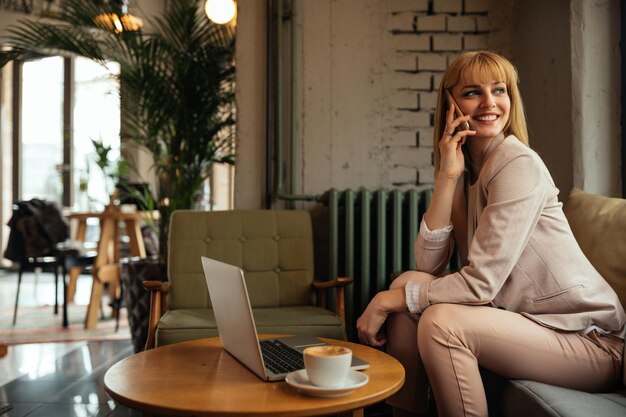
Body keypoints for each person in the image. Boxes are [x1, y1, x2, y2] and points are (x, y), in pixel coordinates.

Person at [356, 50, 626, 417]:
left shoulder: (518, 165)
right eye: (472, 93)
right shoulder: (468, 171)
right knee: (408, 282)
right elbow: (428, 265)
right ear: (450, 104)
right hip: (528, 323)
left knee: (440, 323)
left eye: (499, 90)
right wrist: (447, 177)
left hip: (590, 342)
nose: (489, 103)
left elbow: (479, 285)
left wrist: (384, 300)